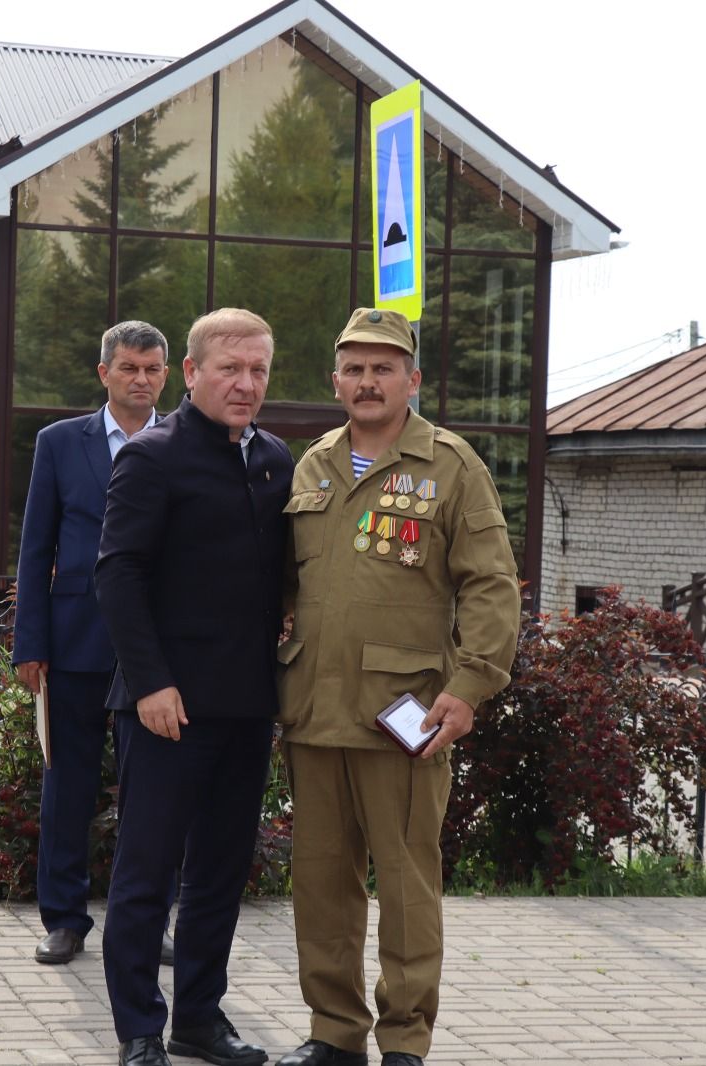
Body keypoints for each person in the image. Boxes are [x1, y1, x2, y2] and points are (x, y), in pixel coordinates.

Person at [275, 308, 520, 1066]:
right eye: (354, 367)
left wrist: (470, 684)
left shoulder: (451, 464)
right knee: (321, 888)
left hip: (404, 713)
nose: (367, 381)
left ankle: (406, 1041)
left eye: (383, 367)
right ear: (335, 380)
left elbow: (491, 583)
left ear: (412, 380)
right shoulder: (312, 462)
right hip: (314, 709)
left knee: (409, 888)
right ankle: (334, 1034)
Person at [95, 308, 293, 1066]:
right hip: (165, 707)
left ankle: (199, 1020)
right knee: (146, 874)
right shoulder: (152, 457)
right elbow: (118, 573)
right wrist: (150, 683)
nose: (245, 384)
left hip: (246, 706)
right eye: (230, 369)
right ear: (192, 373)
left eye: (258, 372)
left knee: (218, 873)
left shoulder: (276, 460)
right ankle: (140, 1028)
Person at [13, 321, 174, 967]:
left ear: (168, 375)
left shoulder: (184, 443)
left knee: (152, 797)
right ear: (104, 371)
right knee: (68, 788)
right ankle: (65, 919)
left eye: (152, 369)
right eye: (129, 367)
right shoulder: (59, 443)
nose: (141, 379)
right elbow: (36, 547)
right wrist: (31, 643)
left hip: (157, 651)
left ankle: (144, 924)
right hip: (75, 641)